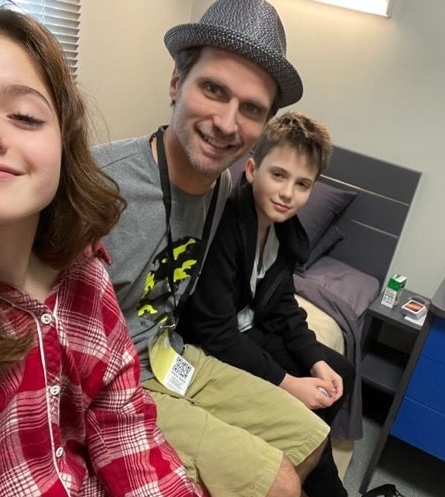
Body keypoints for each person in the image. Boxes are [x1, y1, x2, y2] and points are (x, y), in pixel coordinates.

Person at [0, 1, 202, 496]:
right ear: (176, 87)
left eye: (25, 116)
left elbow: (123, 422)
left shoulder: (82, 271)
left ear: (64, 146)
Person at [92, 1, 330, 497]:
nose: (227, 123)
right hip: (115, 382)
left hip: (172, 355)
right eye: (213, 89)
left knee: (311, 436)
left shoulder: (222, 188)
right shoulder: (99, 185)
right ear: (177, 83)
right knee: (278, 483)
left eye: (251, 109)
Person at [179, 111, 354, 497]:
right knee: (302, 396)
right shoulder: (227, 223)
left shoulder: (285, 230)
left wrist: (315, 360)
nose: (288, 193)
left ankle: (301, 463)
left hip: (252, 329)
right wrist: (290, 384)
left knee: (339, 371)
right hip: (213, 342)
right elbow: (215, 332)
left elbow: (285, 305)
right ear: (252, 169)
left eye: (302, 184)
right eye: (279, 175)